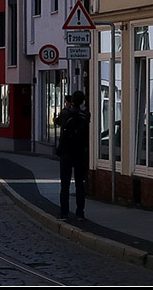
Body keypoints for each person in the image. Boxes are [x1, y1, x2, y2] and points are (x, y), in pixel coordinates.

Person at [54, 90, 90, 219]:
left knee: (65, 184)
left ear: (72, 101)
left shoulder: (66, 113)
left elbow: (57, 122)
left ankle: (64, 212)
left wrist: (66, 107)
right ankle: (80, 212)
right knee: (80, 183)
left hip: (66, 152)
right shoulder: (85, 115)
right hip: (80, 152)